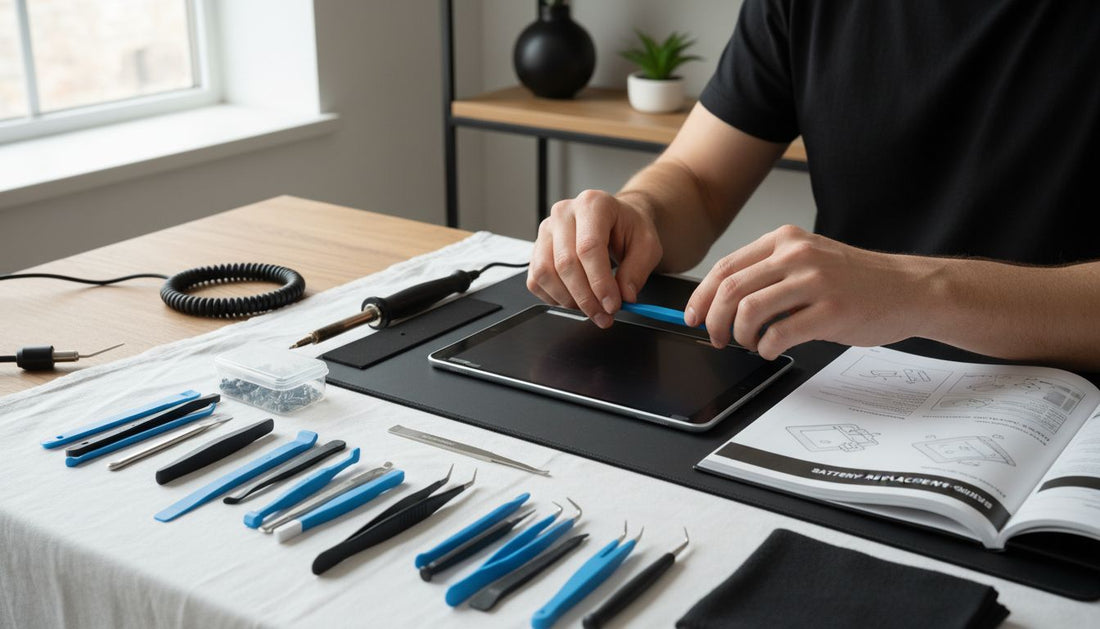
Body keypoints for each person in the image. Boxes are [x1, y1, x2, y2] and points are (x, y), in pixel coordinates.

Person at [526, 0, 1100, 371]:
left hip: (1064, 402)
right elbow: (697, 181)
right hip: (839, 386)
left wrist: (919, 292)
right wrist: (639, 211)